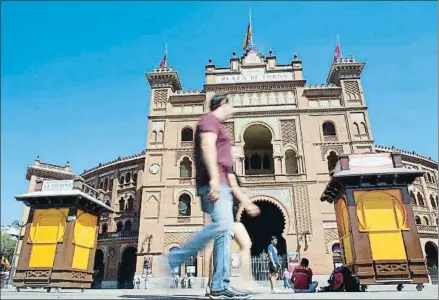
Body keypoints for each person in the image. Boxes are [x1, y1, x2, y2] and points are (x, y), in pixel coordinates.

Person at [164, 93, 250, 300]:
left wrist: (246, 201)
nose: (232, 110)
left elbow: (228, 170)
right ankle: (175, 258)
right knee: (222, 228)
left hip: (220, 183)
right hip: (214, 183)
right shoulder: (209, 120)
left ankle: (220, 285)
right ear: (222, 103)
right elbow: (206, 146)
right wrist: (213, 179)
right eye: (231, 105)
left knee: (224, 232)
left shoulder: (219, 126)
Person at [205, 166, 261, 296]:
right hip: (224, 215)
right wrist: (248, 203)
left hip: (231, 216)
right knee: (233, 245)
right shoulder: (224, 172)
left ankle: (216, 284)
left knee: (241, 244)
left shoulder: (228, 172)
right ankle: (221, 284)